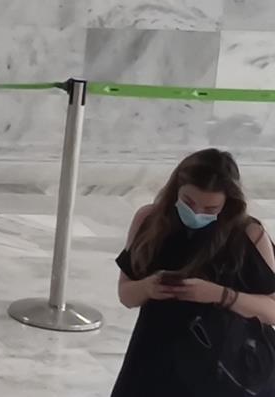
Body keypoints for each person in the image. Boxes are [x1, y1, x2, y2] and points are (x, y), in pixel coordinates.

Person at [112, 148, 275, 396]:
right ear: (176, 188)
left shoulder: (248, 235)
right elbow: (126, 295)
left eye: (210, 209)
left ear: (227, 203)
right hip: (154, 357)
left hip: (223, 365)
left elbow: (272, 310)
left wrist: (219, 295)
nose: (197, 213)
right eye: (188, 202)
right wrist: (148, 287)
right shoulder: (150, 221)